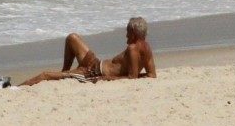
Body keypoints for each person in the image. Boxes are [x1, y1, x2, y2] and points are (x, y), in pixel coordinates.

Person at [20, 18, 156, 85]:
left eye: (127, 32)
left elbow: (131, 77)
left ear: (133, 33)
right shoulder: (148, 48)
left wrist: (106, 78)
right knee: (72, 38)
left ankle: (15, 88)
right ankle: (64, 73)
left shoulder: (132, 48)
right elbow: (151, 75)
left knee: (45, 75)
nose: (126, 36)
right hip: (94, 63)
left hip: (91, 73)